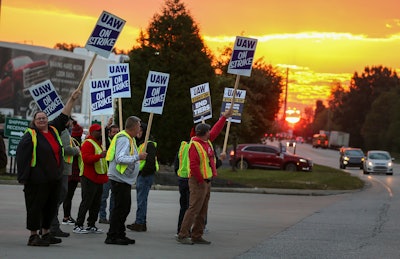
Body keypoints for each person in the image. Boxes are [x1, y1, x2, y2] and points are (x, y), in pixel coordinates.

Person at [16, 88, 81, 246]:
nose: (42, 120)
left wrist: (72, 100)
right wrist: (24, 178)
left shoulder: (52, 130)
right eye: (39, 118)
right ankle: (33, 236)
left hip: (54, 179)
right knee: (35, 208)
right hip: (36, 181)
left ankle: (46, 234)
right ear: (34, 121)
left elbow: (63, 115)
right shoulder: (29, 136)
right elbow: (21, 158)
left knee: (50, 208)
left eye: (44, 118)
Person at [176, 108, 233, 245]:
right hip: (198, 182)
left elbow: (215, 130)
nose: (210, 133)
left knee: (202, 210)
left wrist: (224, 118)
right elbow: (194, 166)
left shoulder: (206, 142)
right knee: (193, 208)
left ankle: (197, 234)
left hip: (206, 181)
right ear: (204, 133)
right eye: (208, 131)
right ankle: (183, 234)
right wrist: (201, 181)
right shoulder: (195, 145)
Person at [105, 116, 147, 245]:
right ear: (134, 126)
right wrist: (137, 157)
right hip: (119, 179)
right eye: (139, 126)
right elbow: (120, 158)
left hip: (124, 179)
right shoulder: (124, 139)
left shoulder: (129, 138)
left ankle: (120, 234)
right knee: (120, 209)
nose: (140, 129)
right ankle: (112, 235)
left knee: (123, 208)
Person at [73, 123, 108, 234]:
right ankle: (78, 225)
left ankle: (91, 224)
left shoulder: (98, 143)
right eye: (98, 131)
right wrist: (100, 156)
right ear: (92, 132)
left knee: (96, 203)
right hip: (89, 177)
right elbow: (87, 159)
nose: (100, 133)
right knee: (87, 202)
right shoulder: (88, 143)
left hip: (98, 178)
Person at [49, 118, 80, 237]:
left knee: (59, 197)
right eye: (71, 121)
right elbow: (66, 149)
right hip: (62, 169)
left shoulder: (62, 131)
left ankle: (51, 226)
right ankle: (52, 226)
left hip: (63, 168)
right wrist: (76, 150)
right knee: (58, 197)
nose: (72, 123)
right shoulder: (64, 132)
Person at [127, 122, 159, 232]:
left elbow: (150, 163)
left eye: (140, 130)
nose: (138, 132)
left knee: (141, 200)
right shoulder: (141, 144)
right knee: (141, 200)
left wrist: (142, 173)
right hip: (142, 175)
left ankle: (140, 222)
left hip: (145, 176)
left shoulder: (148, 144)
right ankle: (141, 222)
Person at [99, 122, 120, 224]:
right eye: (114, 132)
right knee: (104, 196)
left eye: (117, 132)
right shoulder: (106, 141)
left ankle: (112, 217)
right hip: (107, 173)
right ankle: (102, 216)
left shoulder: (120, 141)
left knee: (114, 198)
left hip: (116, 173)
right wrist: (106, 125)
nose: (116, 134)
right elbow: (101, 134)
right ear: (109, 133)